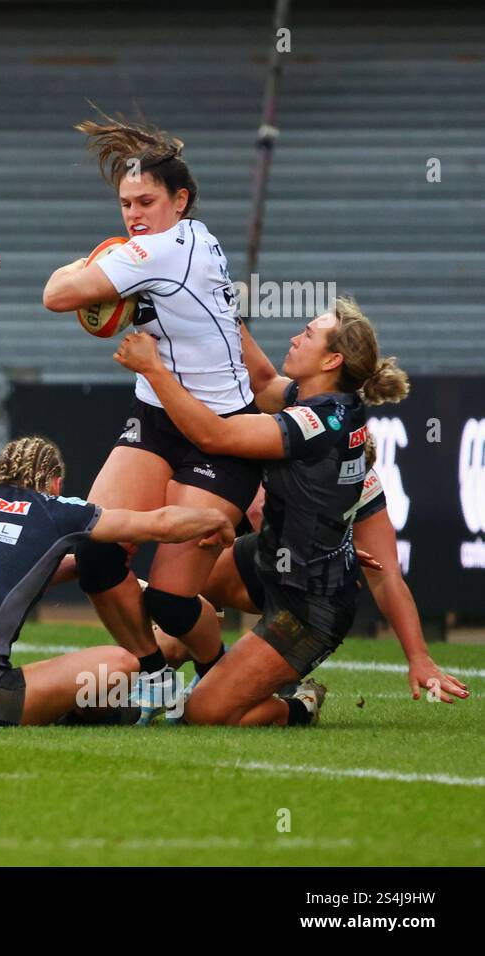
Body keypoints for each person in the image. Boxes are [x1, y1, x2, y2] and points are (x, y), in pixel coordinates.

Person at [41, 109, 280, 721]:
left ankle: (224, 677)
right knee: (96, 555)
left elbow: (56, 296)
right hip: (157, 420)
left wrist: (85, 264)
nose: (134, 215)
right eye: (125, 204)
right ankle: (154, 675)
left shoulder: (164, 248)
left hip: (222, 439)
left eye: (146, 200)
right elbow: (226, 324)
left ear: (181, 201)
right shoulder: (181, 244)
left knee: (174, 602)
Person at [113, 297, 408, 726]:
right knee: (171, 590)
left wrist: (154, 369)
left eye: (307, 334)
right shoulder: (319, 401)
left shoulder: (317, 422)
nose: (294, 337)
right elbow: (263, 378)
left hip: (308, 607)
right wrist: (217, 308)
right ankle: (192, 658)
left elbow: (214, 436)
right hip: (270, 560)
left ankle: (299, 704)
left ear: (332, 359)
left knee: (205, 714)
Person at [0, 437, 234, 728]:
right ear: (55, 483)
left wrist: (77, 567)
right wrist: (215, 518)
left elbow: (7, 576)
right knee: (122, 664)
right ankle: (74, 712)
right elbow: (158, 524)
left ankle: (90, 707)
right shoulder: (55, 510)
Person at [155, 469, 469, 705]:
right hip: (258, 565)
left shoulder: (358, 477)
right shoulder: (277, 433)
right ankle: (206, 668)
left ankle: (299, 704)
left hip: (311, 598)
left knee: (206, 711)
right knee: (170, 633)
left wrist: (419, 657)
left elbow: (387, 577)